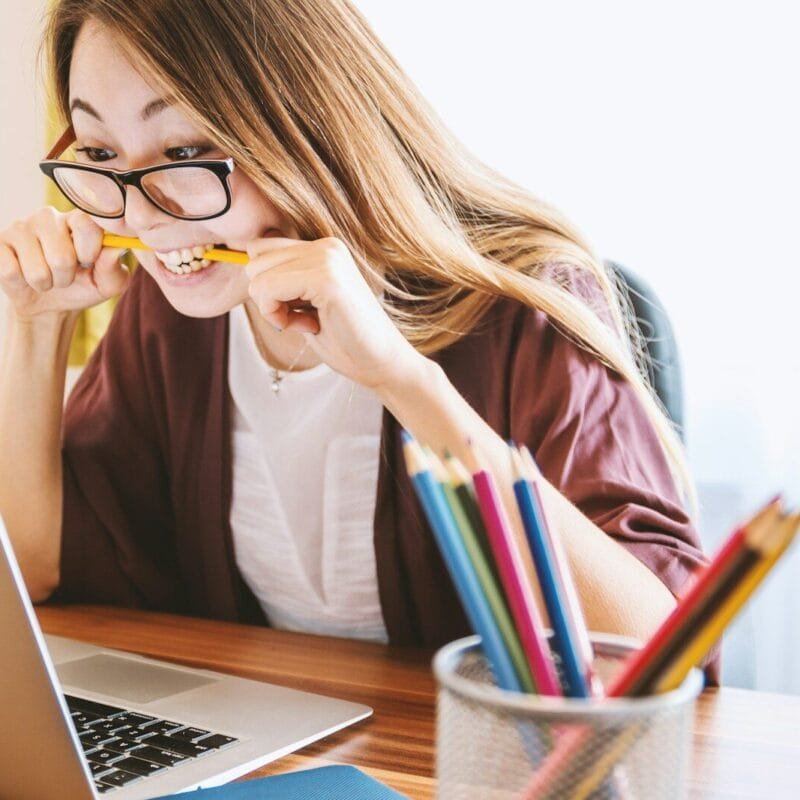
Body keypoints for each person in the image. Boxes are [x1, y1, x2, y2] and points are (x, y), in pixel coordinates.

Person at [0, 0, 715, 677]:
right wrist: (35, 328)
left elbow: (660, 656)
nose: (141, 214)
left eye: (185, 147)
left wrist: (400, 379)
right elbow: (29, 567)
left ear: (306, 123)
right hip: (273, 754)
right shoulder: (170, 315)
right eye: (99, 150)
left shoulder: (519, 306)